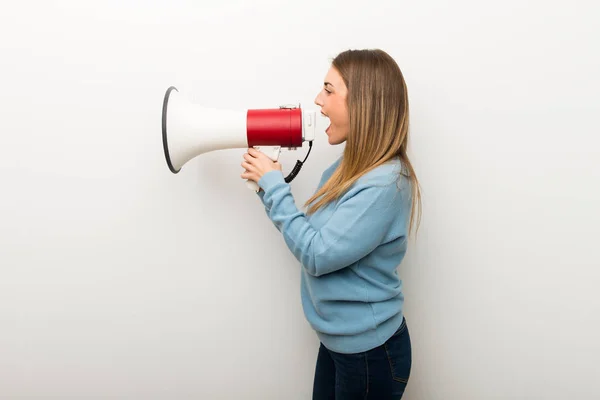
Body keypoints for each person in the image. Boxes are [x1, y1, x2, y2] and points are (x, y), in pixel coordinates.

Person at [241, 48, 421, 399]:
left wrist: (276, 186)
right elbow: (311, 233)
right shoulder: (349, 168)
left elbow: (318, 255)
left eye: (328, 89)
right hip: (341, 345)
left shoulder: (386, 183)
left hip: (370, 355)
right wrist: (267, 187)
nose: (317, 100)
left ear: (363, 103)